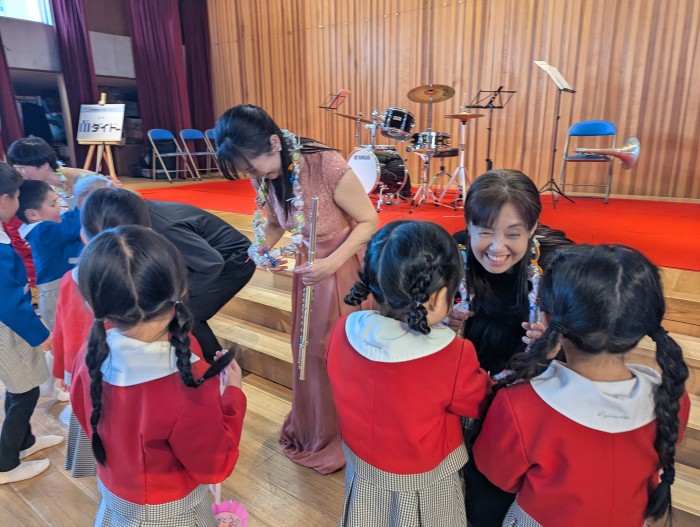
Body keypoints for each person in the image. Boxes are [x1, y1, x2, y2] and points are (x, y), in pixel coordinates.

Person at [472, 244, 690, 526]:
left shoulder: (520, 405)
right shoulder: (672, 396)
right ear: (643, 325)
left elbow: (498, 474)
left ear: (547, 319)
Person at [216, 104, 378, 474]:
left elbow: (369, 221)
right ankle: (315, 427)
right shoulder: (266, 173)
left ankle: (345, 433)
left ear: (275, 142)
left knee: (332, 351)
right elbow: (276, 222)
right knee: (306, 351)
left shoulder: (326, 165)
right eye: (246, 172)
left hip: (343, 265)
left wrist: (331, 263)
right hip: (310, 269)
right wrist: (260, 250)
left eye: (253, 167)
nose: (253, 176)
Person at [70, 226, 247, 525]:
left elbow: (85, 415)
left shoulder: (90, 354)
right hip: (172, 512)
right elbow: (215, 466)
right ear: (181, 289)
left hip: (115, 496)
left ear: (92, 303)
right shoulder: (187, 382)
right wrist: (233, 394)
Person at [327, 221, 492, 526]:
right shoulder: (453, 354)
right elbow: (479, 402)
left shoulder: (343, 330)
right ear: (435, 298)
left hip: (361, 468)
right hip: (426, 480)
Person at [448, 169, 573, 526]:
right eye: (485, 231)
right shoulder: (454, 253)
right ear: (468, 225)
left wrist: (557, 338)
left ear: (533, 228)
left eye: (513, 234)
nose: (497, 248)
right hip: (472, 372)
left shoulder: (557, 262)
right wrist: (444, 322)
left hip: (533, 384)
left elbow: (589, 336)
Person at [52, 187, 151, 478]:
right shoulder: (147, 278)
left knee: (97, 429)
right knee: (134, 438)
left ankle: (108, 478)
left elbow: (63, 328)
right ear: (146, 231)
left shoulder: (72, 278)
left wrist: (62, 370)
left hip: (85, 372)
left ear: (84, 235)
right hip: (134, 376)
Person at [0, 162, 63, 485]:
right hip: (7, 327)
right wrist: (40, 334)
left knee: (20, 386)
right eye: (15, 195)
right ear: (4, 200)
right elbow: (8, 302)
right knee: (24, 393)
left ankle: (24, 442)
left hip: (12, 323)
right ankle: (5, 462)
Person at [145, 200, 255, 361]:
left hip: (234, 260)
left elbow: (212, 264)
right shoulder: (145, 213)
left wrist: (179, 295)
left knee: (186, 312)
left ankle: (217, 369)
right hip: (207, 259)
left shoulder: (163, 225)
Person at [16, 180, 83, 331]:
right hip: (56, 292)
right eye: (53, 204)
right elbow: (71, 227)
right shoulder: (42, 232)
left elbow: (68, 220)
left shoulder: (46, 227)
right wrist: (83, 205)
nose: (58, 208)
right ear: (33, 214)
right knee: (67, 334)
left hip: (65, 286)